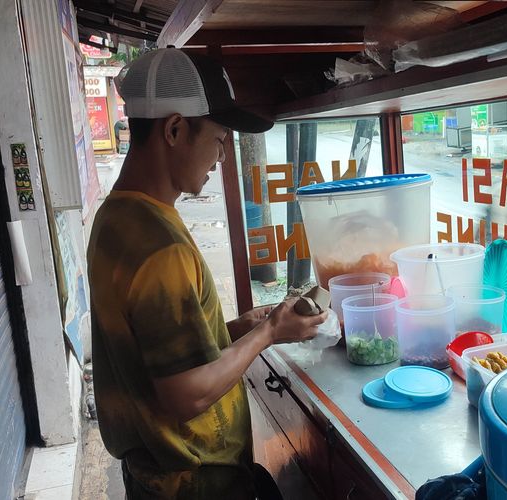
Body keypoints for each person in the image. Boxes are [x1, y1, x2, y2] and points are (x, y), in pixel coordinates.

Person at [87, 48, 327, 500]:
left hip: (151, 475)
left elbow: (154, 350)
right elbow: (185, 396)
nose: (221, 156)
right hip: (194, 483)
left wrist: (234, 329)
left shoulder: (116, 218)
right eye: (219, 138)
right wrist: (270, 332)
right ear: (175, 129)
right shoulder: (161, 246)